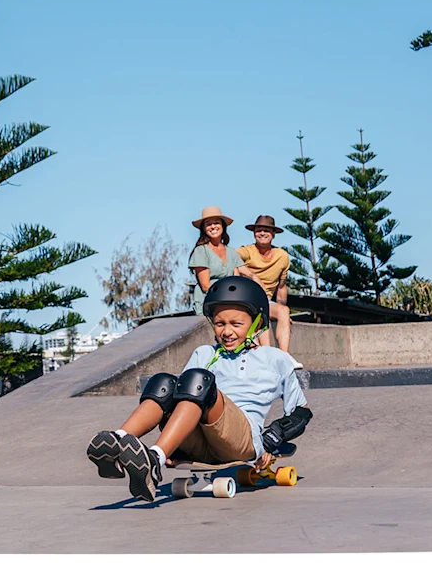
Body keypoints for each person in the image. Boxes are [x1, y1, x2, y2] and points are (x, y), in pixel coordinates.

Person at [84, 276, 312, 502]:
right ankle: (117, 441)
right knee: (164, 384)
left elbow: (301, 412)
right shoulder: (204, 353)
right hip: (200, 441)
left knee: (198, 381)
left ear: (258, 324)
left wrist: (272, 438)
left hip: (241, 440)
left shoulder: (275, 359)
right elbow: (180, 400)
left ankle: (154, 458)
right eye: (220, 324)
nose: (227, 331)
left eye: (236, 324)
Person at [237, 215, 293, 352]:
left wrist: (284, 316)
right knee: (261, 314)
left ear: (273, 234)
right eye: (259, 230)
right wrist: (253, 276)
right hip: (247, 299)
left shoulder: (282, 256)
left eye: (266, 230)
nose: (262, 233)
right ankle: (265, 353)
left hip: (267, 301)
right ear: (254, 233)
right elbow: (231, 260)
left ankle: (284, 357)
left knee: (284, 311)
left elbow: (281, 286)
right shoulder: (246, 251)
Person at [187, 206, 255, 299]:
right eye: (208, 224)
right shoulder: (201, 251)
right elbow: (205, 286)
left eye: (216, 223)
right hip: (210, 300)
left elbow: (236, 280)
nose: (213, 227)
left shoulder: (231, 252)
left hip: (232, 299)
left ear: (223, 226)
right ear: (204, 228)